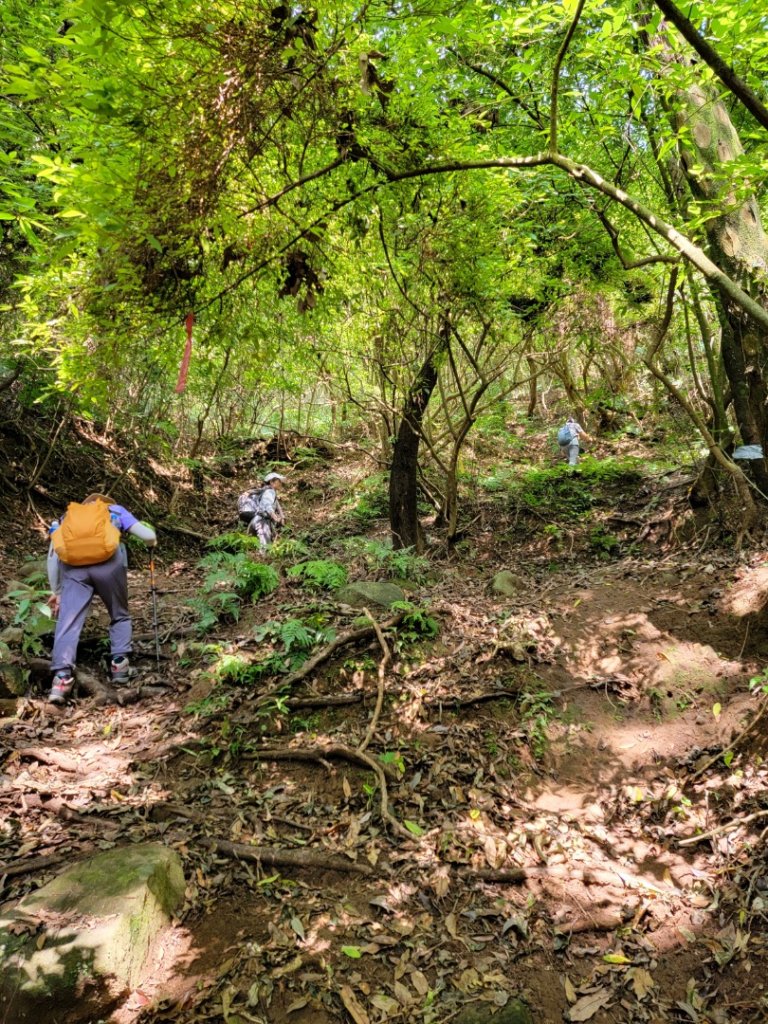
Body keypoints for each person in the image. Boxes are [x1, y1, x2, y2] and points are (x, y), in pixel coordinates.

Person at [46, 493, 157, 704]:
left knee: (68, 622)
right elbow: (147, 536)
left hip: (73, 570)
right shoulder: (116, 511)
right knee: (119, 614)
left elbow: (54, 555)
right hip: (110, 566)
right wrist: (153, 541)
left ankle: (61, 680)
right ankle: (119, 666)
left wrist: (57, 590)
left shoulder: (66, 517)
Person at [237, 472, 286, 550]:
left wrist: (282, 518)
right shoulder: (270, 492)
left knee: (251, 546)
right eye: (279, 481)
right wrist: (275, 518)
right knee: (265, 547)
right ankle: (263, 558)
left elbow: (278, 506)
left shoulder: (267, 491)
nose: (281, 483)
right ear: (271, 482)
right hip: (262, 521)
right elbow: (267, 506)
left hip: (254, 521)